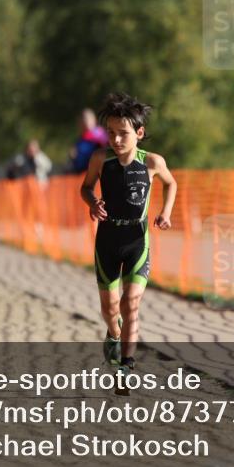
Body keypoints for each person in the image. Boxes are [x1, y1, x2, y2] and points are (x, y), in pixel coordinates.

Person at [81, 93, 177, 383]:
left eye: (123, 134)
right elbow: (85, 187)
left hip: (137, 239)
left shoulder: (152, 163)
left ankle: (127, 364)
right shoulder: (100, 159)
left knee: (131, 302)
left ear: (139, 133)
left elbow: (171, 183)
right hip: (107, 241)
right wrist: (92, 202)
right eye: (111, 133)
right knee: (111, 309)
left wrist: (166, 212)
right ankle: (113, 333)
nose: (116, 140)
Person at [70, 108, 109, 173]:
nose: (85, 122)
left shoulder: (100, 136)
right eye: (83, 119)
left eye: (87, 119)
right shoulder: (80, 140)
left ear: (94, 120)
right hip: (79, 173)